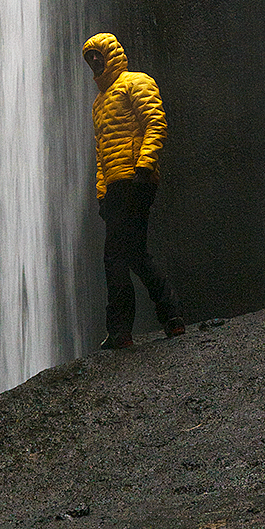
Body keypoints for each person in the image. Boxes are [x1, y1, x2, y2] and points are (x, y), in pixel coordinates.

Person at [82, 31, 185, 350]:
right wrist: (101, 193)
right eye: (90, 58)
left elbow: (155, 123)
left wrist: (144, 166)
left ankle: (120, 331)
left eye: (98, 54)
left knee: (114, 257)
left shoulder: (136, 82)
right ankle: (171, 317)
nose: (95, 61)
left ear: (112, 53)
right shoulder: (99, 103)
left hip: (136, 180)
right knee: (135, 255)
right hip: (115, 188)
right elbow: (101, 153)